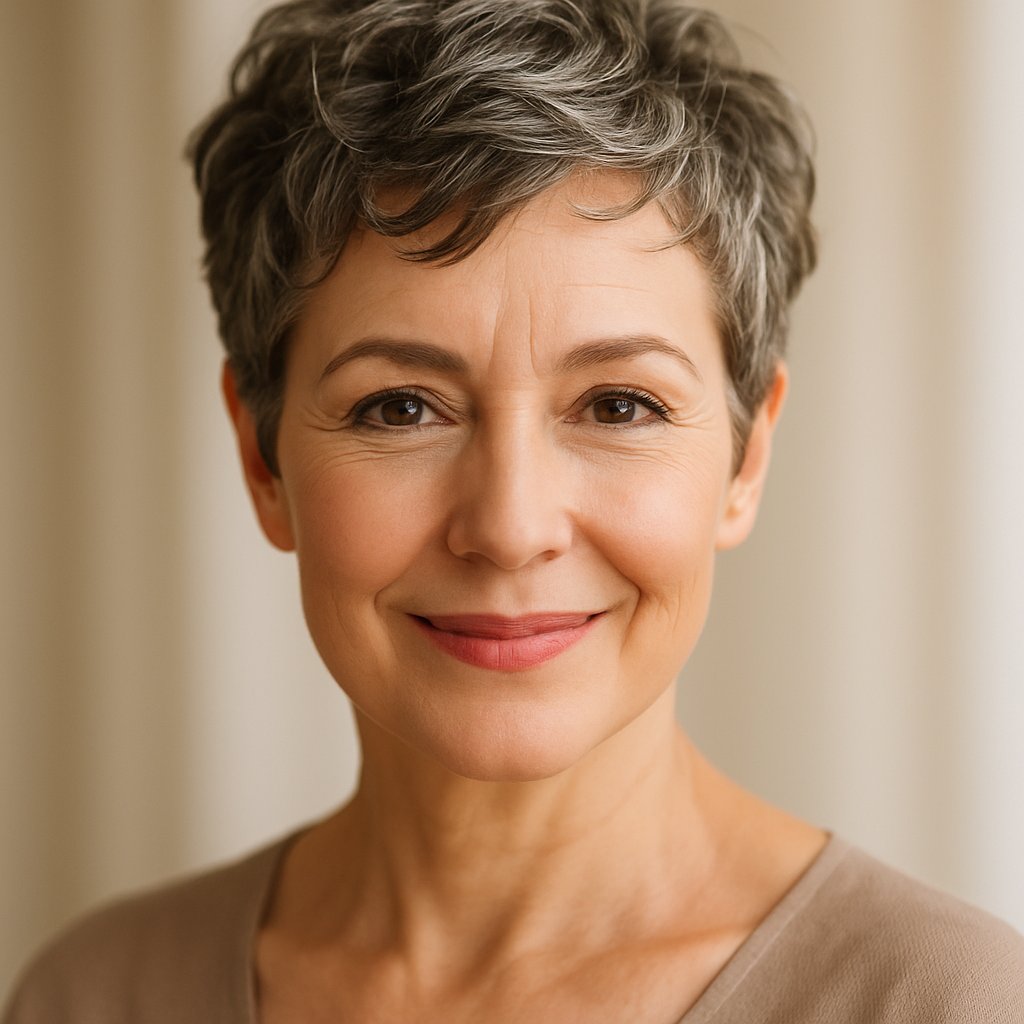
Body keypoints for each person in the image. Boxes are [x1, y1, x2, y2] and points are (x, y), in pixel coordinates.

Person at [4, 0, 1023, 1020]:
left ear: (747, 453)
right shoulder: (90, 996)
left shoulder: (951, 1001)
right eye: (399, 406)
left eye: (618, 404)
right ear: (260, 457)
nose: (509, 523)